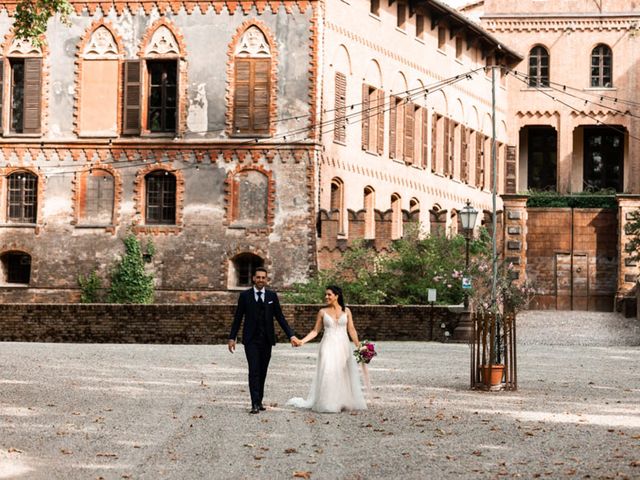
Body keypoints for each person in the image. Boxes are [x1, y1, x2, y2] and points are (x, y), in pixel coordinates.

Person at [228, 267, 300, 414]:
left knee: (262, 371)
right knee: (253, 370)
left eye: (263, 278)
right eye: (258, 277)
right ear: (254, 279)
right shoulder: (245, 296)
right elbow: (238, 318)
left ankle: (259, 400)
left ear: (266, 280)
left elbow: (280, 318)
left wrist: (291, 335)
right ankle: (254, 403)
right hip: (251, 340)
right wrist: (232, 337)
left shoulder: (272, 296)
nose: (261, 280)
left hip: (267, 340)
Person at [286, 286, 367, 413]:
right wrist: (302, 341)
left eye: (329, 294)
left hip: (343, 345)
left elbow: (351, 330)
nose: (326, 297)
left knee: (343, 371)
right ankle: (327, 402)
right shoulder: (322, 312)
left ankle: (343, 401)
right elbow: (315, 331)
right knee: (328, 370)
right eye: (326, 295)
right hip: (327, 345)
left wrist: (359, 346)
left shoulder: (347, 311)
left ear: (337, 296)